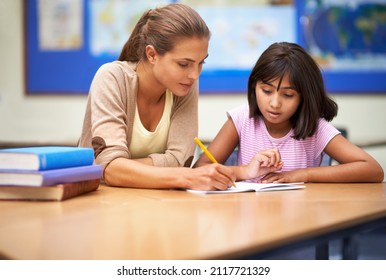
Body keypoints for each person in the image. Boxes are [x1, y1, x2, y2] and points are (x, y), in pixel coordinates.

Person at [78, 3, 277, 190]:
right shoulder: (112, 77)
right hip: (102, 203)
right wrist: (185, 176)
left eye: (201, 63)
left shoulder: (184, 84)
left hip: (155, 202)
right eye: (184, 64)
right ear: (152, 55)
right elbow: (110, 169)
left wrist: (122, 168)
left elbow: (181, 160)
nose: (194, 74)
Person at [194, 42, 384, 183]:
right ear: (254, 87)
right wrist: (244, 171)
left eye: (288, 95)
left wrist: (301, 174)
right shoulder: (241, 119)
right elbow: (200, 170)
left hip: (300, 222)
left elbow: (373, 170)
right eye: (266, 91)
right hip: (249, 222)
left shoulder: (315, 128)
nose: (274, 103)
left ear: (304, 96)